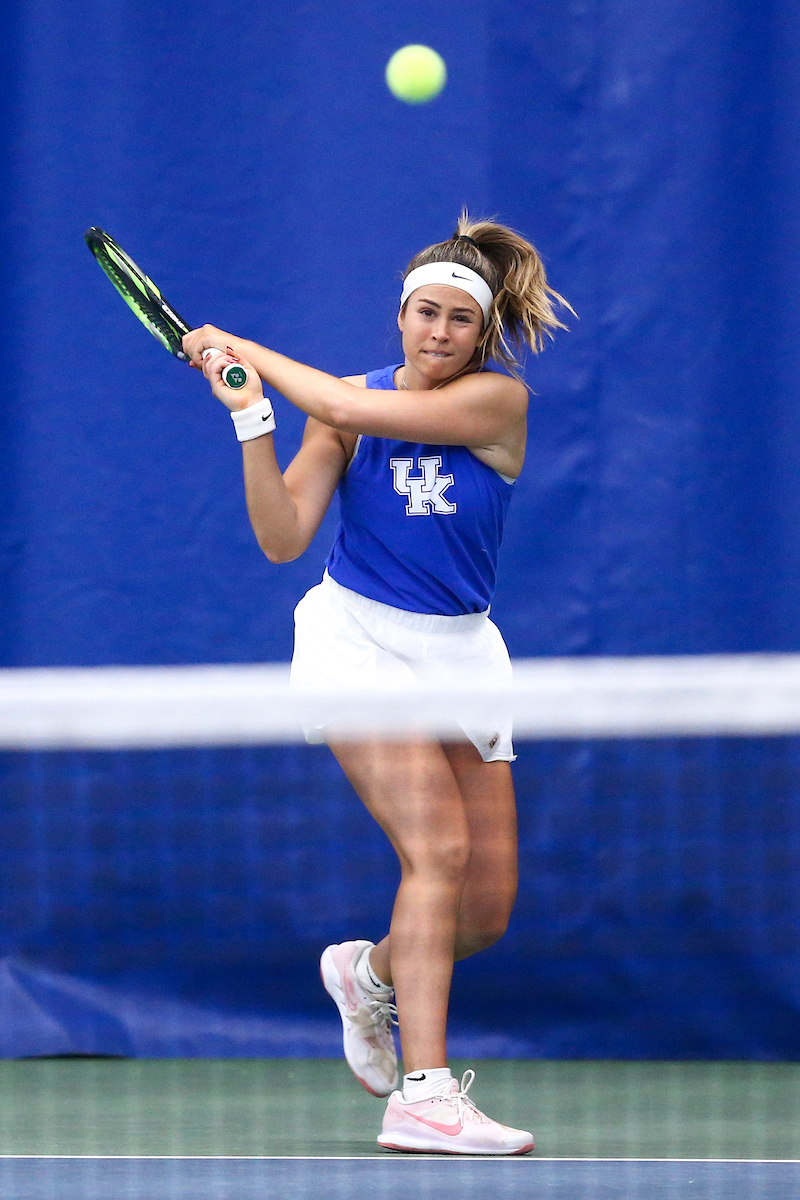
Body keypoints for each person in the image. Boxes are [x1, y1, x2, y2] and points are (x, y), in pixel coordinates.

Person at [182, 213, 570, 1155]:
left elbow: (348, 409)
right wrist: (251, 419)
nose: (440, 333)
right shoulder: (341, 408)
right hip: (355, 643)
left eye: (460, 319)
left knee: (483, 909)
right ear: (399, 316)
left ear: (482, 333)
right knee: (437, 850)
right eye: (425, 313)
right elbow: (283, 537)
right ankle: (423, 1097)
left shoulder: (497, 403)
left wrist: (243, 347)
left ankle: (368, 976)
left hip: (462, 655)